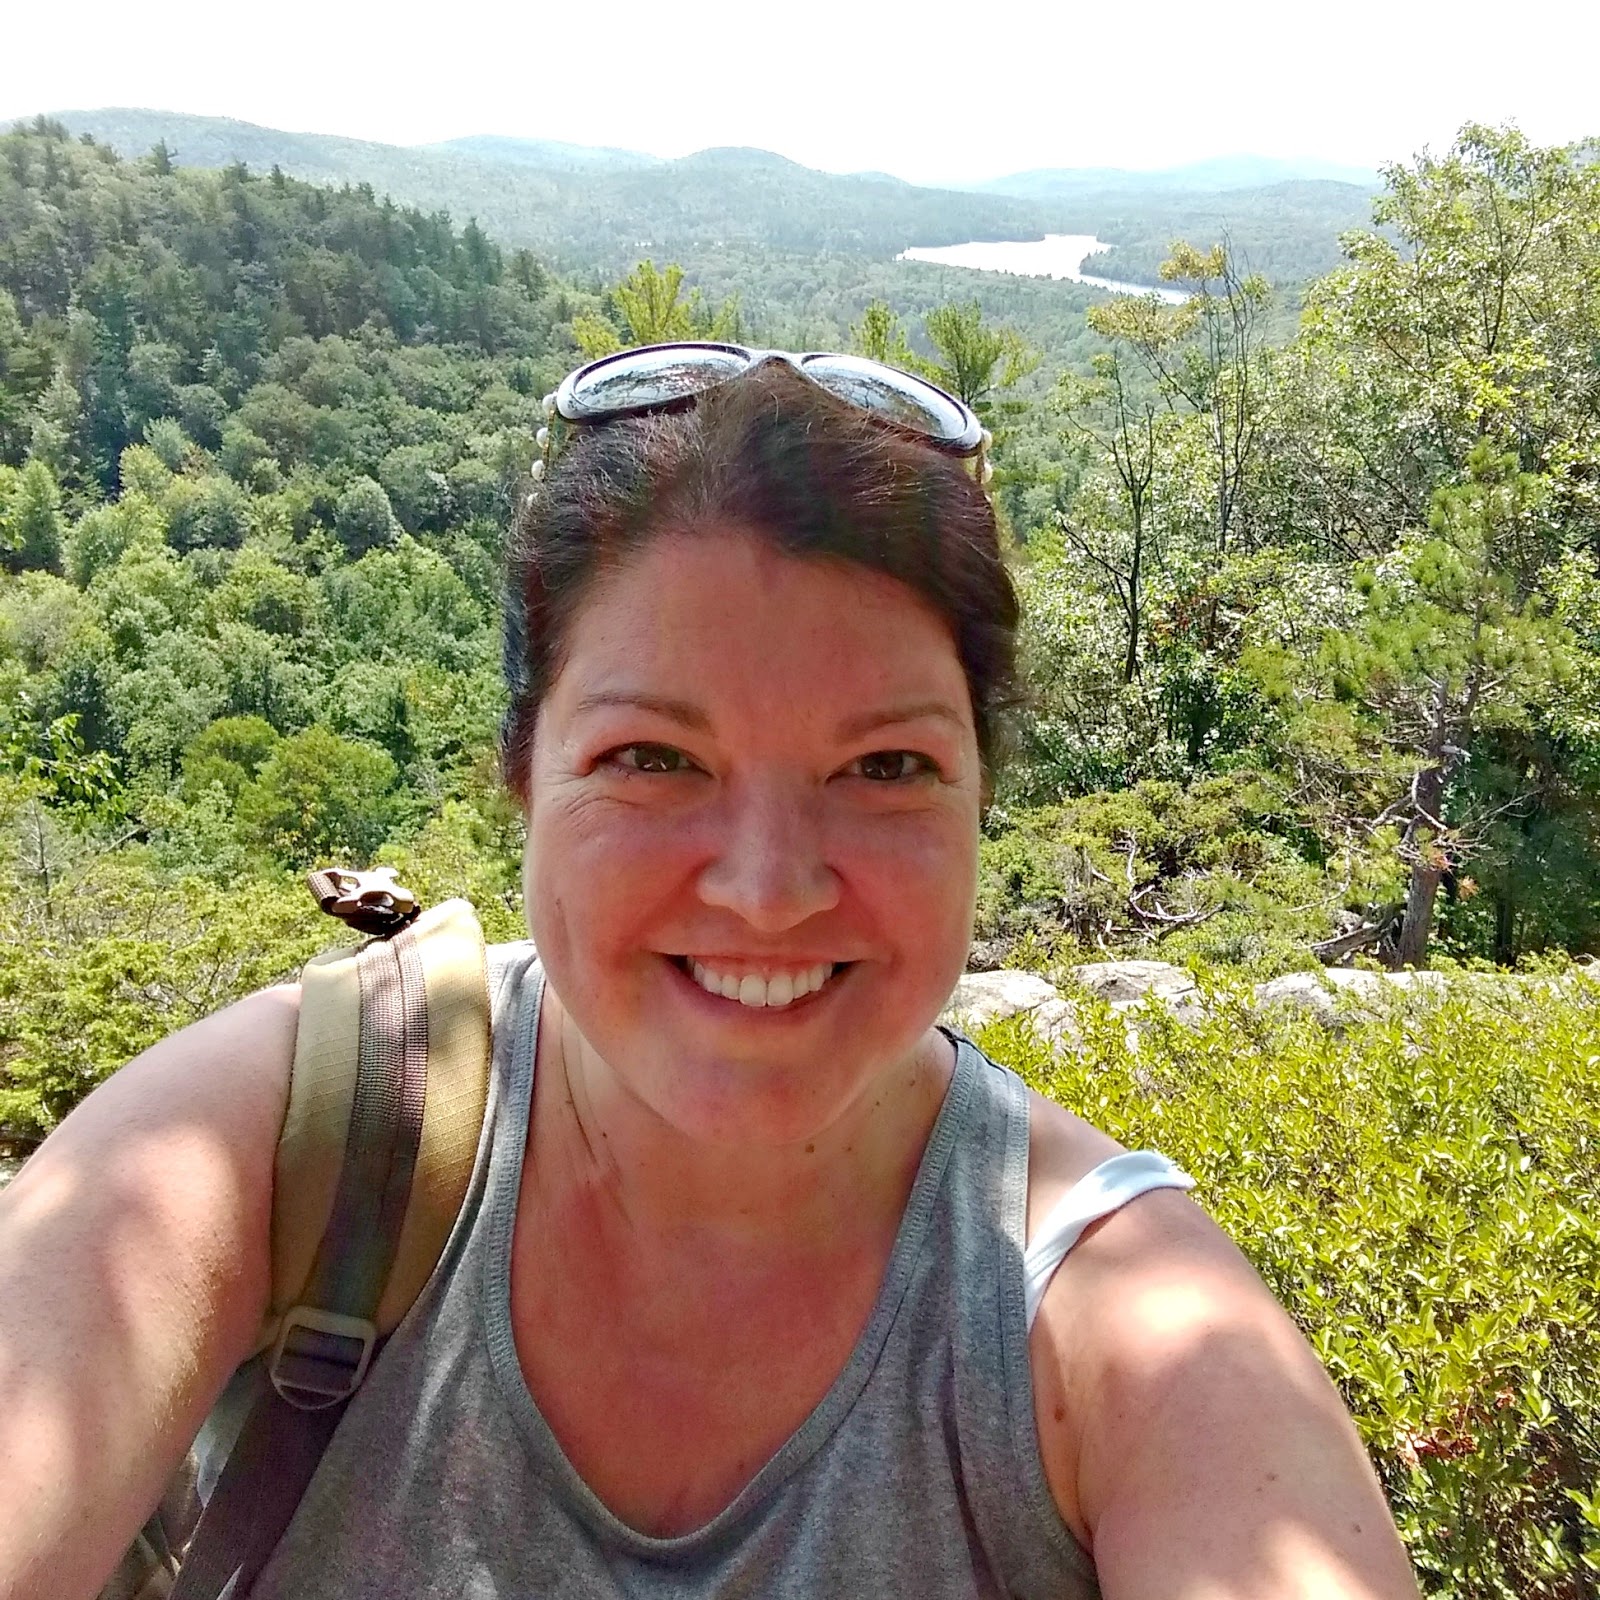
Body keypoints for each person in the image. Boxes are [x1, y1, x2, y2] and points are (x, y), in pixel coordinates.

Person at [0, 346, 1421, 1600]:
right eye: (655, 758)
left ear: (981, 793)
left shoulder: (1127, 1325)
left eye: (885, 767)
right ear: (523, 771)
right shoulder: (281, 1142)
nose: (767, 888)